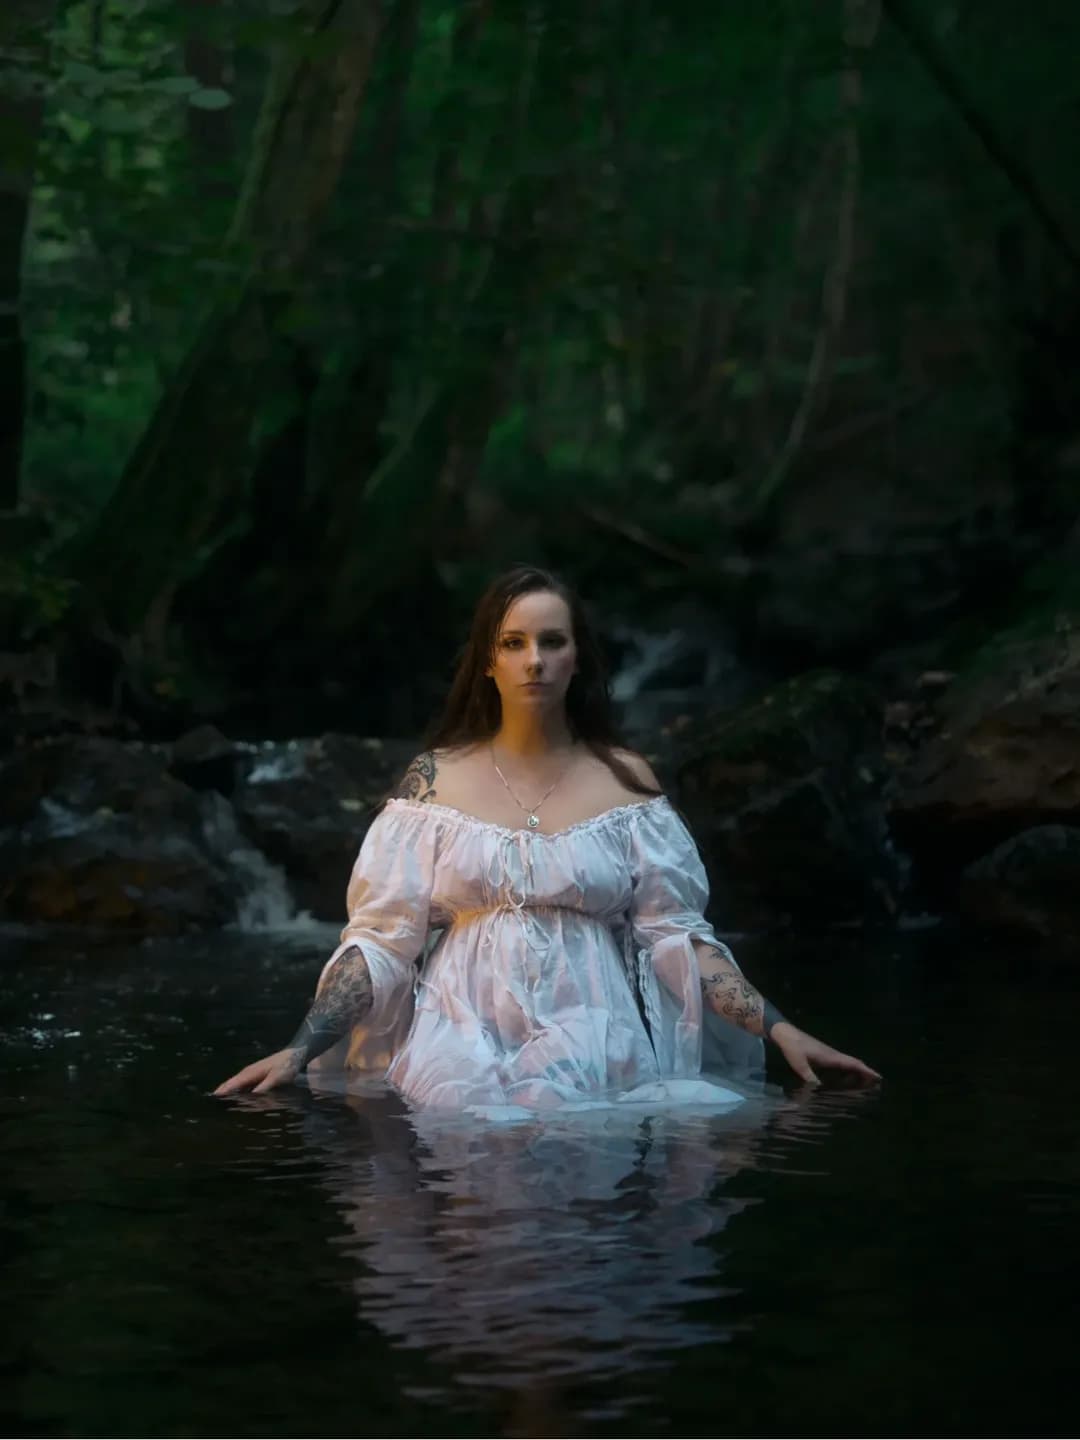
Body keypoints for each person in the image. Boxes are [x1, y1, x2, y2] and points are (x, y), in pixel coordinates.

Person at [215, 565, 879, 1112]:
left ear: (577, 658)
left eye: (552, 642)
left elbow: (679, 939)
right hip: (459, 1042)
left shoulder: (626, 782)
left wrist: (782, 1029)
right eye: (513, 643)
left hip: (596, 1041)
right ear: (486, 662)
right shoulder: (432, 783)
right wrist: (299, 1048)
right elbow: (383, 944)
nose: (534, 661)